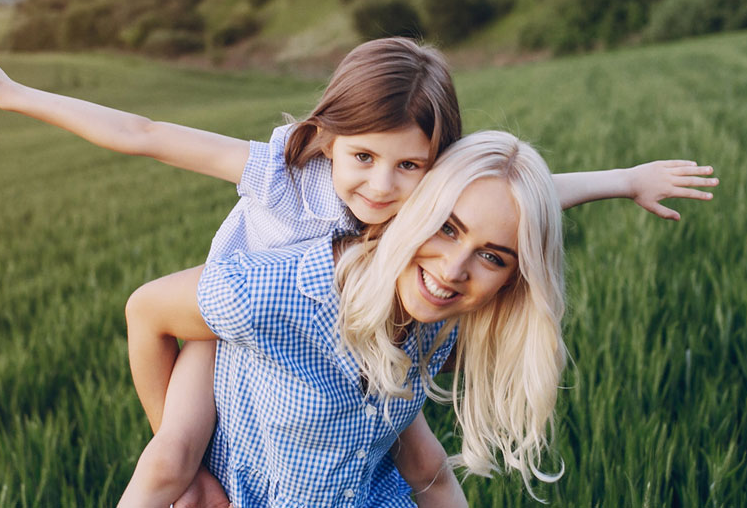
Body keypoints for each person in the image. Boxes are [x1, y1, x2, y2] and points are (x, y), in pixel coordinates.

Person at [0, 13, 718, 506]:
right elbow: (144, 134)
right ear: (328, 135)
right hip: (225, 318)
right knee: (172, 460)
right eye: (363, 158)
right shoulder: (281, 175)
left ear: (436, 165)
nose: (382, 186)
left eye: (410, 167)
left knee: (401, 441)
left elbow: (517, 198)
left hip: (342, 346)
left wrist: (624, 180)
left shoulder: (427, 225)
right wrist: (15, 94)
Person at [194, 131, 565, 505]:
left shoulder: (437, 326)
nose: (453, 270)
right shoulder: (290, 290)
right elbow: (149, 309)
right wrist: (185, 463)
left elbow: (428, 468)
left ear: (511, 281)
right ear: (415, 207)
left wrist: (620, 181)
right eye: (446, 228)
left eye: (492, 258)